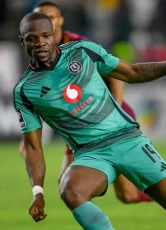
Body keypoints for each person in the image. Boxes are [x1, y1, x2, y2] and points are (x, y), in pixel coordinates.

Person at [14, 12, 166, 230]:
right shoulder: (25, 91)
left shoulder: (83, 50)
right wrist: (37, 192)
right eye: (32, 38)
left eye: (45, 36)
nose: (40, 43)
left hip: (127, 140)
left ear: (54, 35)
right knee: (71, 190)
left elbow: (132, 72)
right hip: (91, 154)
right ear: (23, 41)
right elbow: (33, 145)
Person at [19, 1, 152, 203]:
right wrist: (29, 138)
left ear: (60, 20)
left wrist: (114, 111)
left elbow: (115, 75)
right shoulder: (42, 53)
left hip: (104, 118)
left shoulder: (78, 44)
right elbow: (47, 98)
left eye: (51, 18)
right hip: (78, 124)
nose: (46, 23)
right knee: (127, 195)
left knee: (70, 184)